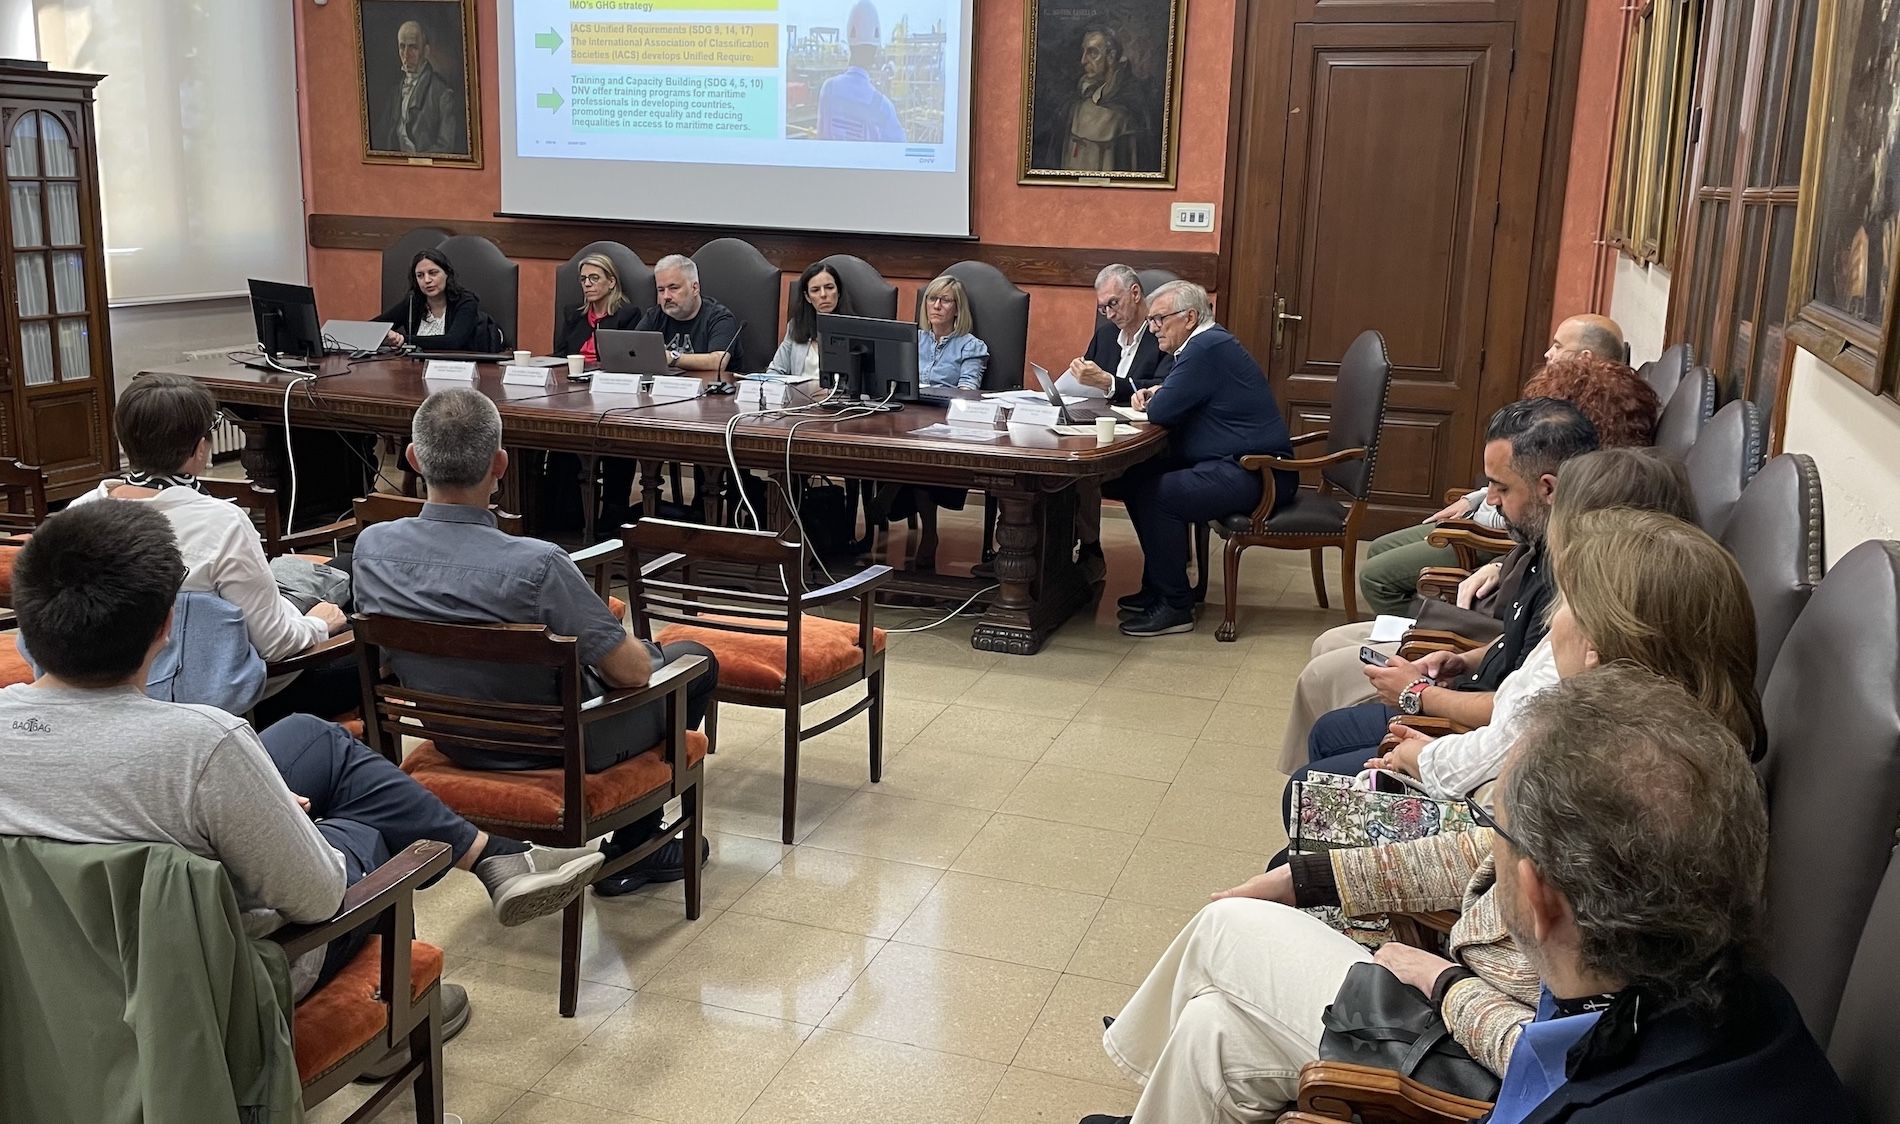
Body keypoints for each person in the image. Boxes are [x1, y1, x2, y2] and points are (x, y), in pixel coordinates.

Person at [1084, 667, 1849, 1124]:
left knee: (1226, 928)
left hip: (1459, 1067)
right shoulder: (1744, 1008)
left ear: (1539, 894)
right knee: (1216, 1031)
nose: (1485, 841)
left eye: (1494, 826)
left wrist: (1444, 983)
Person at [0, 502, 607, 1028]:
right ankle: (392, 1013)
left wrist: (249, 803)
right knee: (367, 830)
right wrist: (287, 825)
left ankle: (493, 856)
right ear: (166, 626)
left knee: (307, 739)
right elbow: (317, 900)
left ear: (26, 622)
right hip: (218, 982)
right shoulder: (203, 745)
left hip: (43, 977)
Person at [350, 388, 719, 896]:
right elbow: (631, 674)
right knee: (694, 661)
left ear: (413, 459)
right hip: (556, 749)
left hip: (454, 740)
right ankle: (640, 846)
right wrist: (650, 653)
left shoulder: (372, 549)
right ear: (500, 464)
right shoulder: (538, 564)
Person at [1277, 504, 1761, 883]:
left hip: (1464, 870)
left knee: (1300, 816)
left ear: (1593, 647)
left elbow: (1490, 859)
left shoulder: (1589, 758)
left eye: (1566, 605)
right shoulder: (1669, 738)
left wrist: (1418, 766)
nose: (1552, 624)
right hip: (1471, 835)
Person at [1279, 398, 1596, 772]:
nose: (1490, 500)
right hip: (1468, 697)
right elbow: (1519, 647)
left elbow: (1518, 716)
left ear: (1549, 489)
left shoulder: (1575, 576)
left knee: (1313, 765)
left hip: (1472, 737)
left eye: (1501, 488)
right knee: (1327, 732)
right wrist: (1462, 660)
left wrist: (1418, 695)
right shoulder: (1544, 540)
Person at [66, 374, 355, 724]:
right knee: (372, 636)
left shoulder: (75, 513)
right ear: (200, 448)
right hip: (218, 702)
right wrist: (319, 626)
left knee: (340, 569)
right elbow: (276, 645)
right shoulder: (222, 523)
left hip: (102, 692)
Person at [1357, 315, 1633, 618]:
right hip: (1487, 517)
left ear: (1585, 357)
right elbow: (1514, 470)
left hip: (1496, 534)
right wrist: (1473, 498)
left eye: (1557, 345)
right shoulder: (1564, 396)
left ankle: (1438, 626)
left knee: (1376, 577)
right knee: (1378, 549)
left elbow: (1540, 507)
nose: (1547, 354)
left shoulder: (1584, 418)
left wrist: (1501, 562)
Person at [1106, 281, 1294, 637]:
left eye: (1160, 319)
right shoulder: (1207, 344)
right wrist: (1162, 392)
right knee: (1134, 479)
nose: (1153, 328)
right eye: (1151, 321)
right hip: (1231, 461)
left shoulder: (1205, 347)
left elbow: (1163, 410)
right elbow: (1176, 397)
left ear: (1190, 317)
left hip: (1258, 470)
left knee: (1160, 494)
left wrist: (1159, 396)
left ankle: (1176, 606)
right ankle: (1160, 585)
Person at [1037, 24, 1156, 173]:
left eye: (1093, 53)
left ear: (1111, 57)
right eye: (1083, 52)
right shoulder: (1075, 105)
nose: (1083, 61)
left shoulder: (1129, 112)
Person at [636, 254, 744, 374]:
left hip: (710, 390)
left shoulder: (720, 317)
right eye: (661, 290)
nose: (666, 296)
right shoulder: (654, 316)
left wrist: (672, 358)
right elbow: (633, 351)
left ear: (695, 288)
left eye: (674, 288)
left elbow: (718, 362)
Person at [373, 20, 466, 156]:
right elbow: (379, 138)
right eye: (402, 47)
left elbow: (446, 148)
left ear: (426, 51)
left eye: (413, 47)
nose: (406, 55)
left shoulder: (443, 94)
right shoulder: (395, 92)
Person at [818, 0, 906, 142]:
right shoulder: (883, 108)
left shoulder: (828, 88)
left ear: (849, 43)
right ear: (876, 51)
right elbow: (900, 154)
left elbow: (821, 138)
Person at [378, 248, 485, 351]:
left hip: (456, 367)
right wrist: (387, 335)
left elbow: (453, 341)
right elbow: (373, 328)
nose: (427, 280)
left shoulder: (466, 301)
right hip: (414, 367)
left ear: (447, 273)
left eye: (433, 273)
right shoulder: (413, 302)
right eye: (420, 275)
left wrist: (403, 339)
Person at [768, 260, 859, 378]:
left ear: (839, 291)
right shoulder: (796, 326)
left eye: (829, 287)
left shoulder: (856, 329)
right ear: (808, 297)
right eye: (815, 290)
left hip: (838, 396)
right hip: (798, 396)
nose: (823, 295)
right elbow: (775, 371)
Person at [554, 252, 644, 364]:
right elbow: (559, 356)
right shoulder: (573, 314)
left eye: (594, 278)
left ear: (611, 282)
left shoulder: (628, 315)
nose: (587, 284)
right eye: (583, 279)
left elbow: (628, 359)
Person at [916, 274, 988, 391]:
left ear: (957, 309)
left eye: (945, 300)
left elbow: (967, 391)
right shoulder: (914, 340)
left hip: (945, 406)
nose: (937, 306)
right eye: (932, 299)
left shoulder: (970, 346)